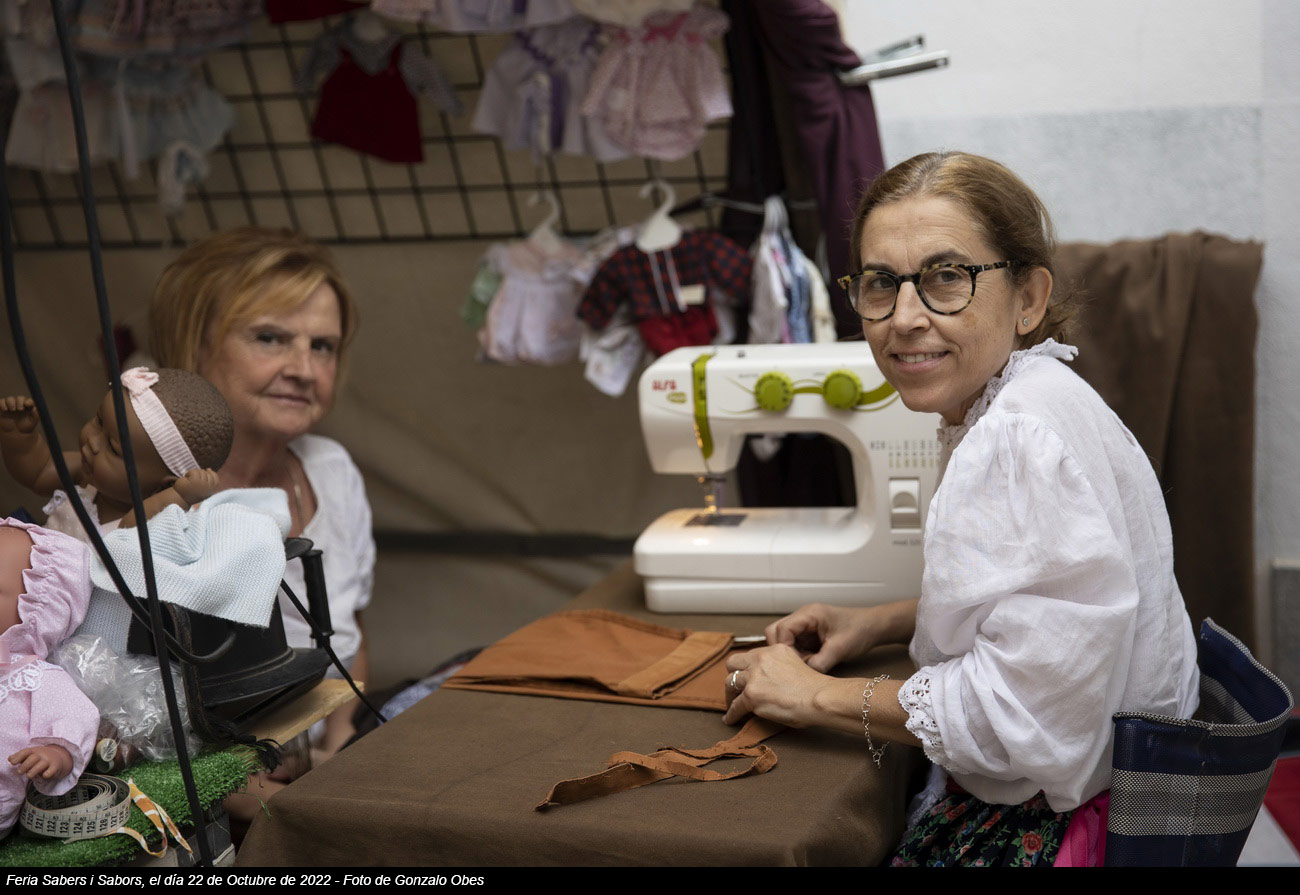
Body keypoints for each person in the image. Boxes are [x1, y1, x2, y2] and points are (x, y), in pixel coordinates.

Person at [721, 151, 1200, 867]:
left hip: (1061, 827)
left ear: (1028, 297)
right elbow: (1049, 605)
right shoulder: (1037, 395)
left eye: (947, 276)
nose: (904, 318)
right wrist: (880, 620)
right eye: (880, 283)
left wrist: (814, 696)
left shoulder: (1014, 437)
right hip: (1133, 789)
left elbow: (1020, 717)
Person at [148, 228, 374, 769]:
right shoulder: (140, 503)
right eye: (270, 338)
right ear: (194, 344)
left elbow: (353, 636)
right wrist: (262, 797)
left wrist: (339, 745)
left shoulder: (330, 470)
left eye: (322, 346)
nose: (303, 369)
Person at [0, 367, 231, 537]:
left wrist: (179, 497)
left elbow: (133, 525)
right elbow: (40, 472)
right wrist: (18, 437)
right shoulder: (86, 475)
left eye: (113, 448)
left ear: (164, 487)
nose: (92, 441)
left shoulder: (143, 526)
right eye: (99, 421)